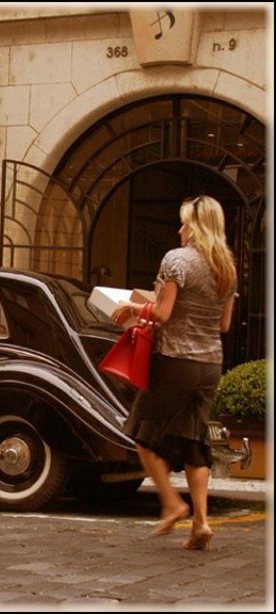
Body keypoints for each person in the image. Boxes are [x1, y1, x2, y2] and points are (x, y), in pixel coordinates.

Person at [111, 195, 237, 551]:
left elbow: (162, 314)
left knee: (142, 433)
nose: (179, 228)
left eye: (184, 222)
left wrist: (131, 307)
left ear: (194, 226)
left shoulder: (177, 260)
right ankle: (200, 523)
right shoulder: (226, 267)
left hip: (175, 362)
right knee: (195, 443)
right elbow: (224, 324)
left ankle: (172, 504)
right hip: (210, 365)